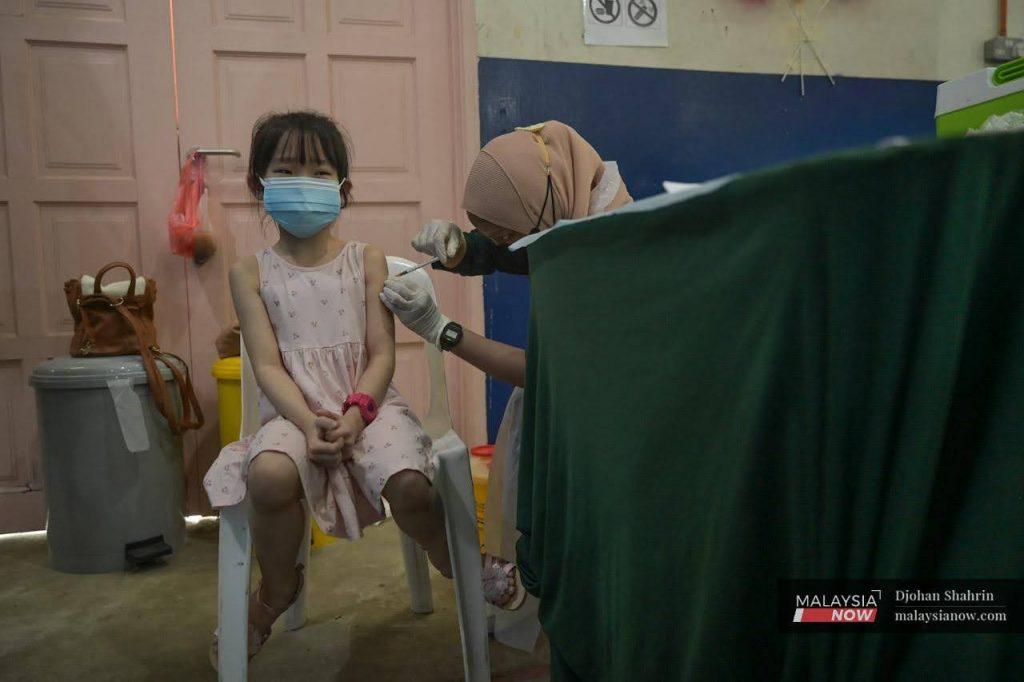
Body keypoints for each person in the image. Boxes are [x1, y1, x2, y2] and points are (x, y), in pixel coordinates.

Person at [203, 111, 449, 665]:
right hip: (293, 412)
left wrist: (358, 412)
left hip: (369, 404)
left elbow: (382, 354)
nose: (304, 183)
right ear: (258, 184)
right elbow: (266, 366)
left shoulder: (367, 261)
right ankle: (277, 589)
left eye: (318, 172)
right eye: (287, 170)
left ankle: (456, 560)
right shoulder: (249, 273)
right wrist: (308, 419)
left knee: (411, 483)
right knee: (267, 475)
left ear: (343, 186)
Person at [381, 121, 632, 616]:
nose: (498, 242)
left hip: (601, 424)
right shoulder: (568, 209)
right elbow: (513, 252)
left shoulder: (605, 258)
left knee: (577, 551)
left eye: (501, 231)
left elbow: (543, 374)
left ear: (539, 205)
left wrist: (443, 331)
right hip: (568, 399)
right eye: (485, 230)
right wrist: (463, 250)